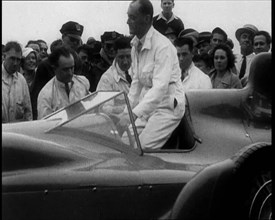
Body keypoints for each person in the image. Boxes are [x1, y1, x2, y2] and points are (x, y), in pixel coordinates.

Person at [119, 0, 185, 150]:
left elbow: (160, 88)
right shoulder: (134, 45)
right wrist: (126, 113)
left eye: (133, 17)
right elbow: (136, 85)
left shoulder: (163, 46)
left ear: (147, 19)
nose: (127, 21)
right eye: (128, 16)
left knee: (141, 149)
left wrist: (133, 115)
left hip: (167, 107)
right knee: (122, 143)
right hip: (147, 106)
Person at [33, 21, 84, 119]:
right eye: (72, 39)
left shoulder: (78, 62)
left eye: (78, 41)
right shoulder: (46, 65)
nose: (75, 44)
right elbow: (38, 99)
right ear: (63, 37)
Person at [37, 46, 90, 119]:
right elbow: (45, 125)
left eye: (72, 68)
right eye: (65, 69)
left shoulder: (83, 82)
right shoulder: (46, 94)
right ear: (54, 68)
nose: (70, 73)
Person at [97, 36, 133, 114]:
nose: (125, 62)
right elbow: (104, 108)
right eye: (121, 57)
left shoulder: (140, 71)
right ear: (115, 55)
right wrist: (130, 107)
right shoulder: (107, 79)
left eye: (128, 56)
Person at [2, 41, 32, 123]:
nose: (15, 63)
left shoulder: (21, 80)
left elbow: (28, 112)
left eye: (18, 60)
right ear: (4, 56)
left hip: (17, 133)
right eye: (12, 58)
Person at [20, 47, 38, 119]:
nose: (31, 61)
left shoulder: (39, 78)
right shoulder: (19, 80)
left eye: (33, 58)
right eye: (28, 58)